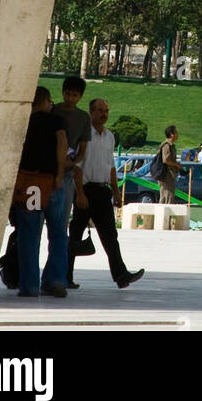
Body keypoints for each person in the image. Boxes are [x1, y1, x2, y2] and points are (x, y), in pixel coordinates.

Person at [67, 98, 144, 290]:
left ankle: (121, 275)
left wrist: (116, 193)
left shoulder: (109, 137)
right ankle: (64, 275)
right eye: (100, 110)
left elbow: (111, 167)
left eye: (106, 110)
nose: (104, 114)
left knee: (110, 235)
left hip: (103, 191)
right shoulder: (83, 136)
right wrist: (80, 194)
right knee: (74, 236)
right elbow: (76, 167)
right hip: (85, 190)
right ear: (91, 112)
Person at [11, 86, 68, 299]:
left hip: (30, 183)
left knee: (29, 233)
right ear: (45, 101)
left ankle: (29, 285)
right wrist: (60, 175)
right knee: (58, 233)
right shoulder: (57, 121)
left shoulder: (23, 121)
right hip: (52, 181)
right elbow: (62, 143)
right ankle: (56, 279)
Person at [54, 75, 91, 228]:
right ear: (63, 92)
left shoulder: (83, 118)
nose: (70, 98)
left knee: (62, 222)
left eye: (75, 95)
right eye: (68, 94)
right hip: (47, 170)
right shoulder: (53, 111)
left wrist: (72, 161)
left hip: (67, 173)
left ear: (80, 96)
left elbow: (82, 150)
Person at [158, 125, 182, 203]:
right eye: (176, 132)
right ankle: (166, 215)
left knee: (166, 196)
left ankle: (164, 214)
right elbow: (166, 160)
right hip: (166, 174)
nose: (177, 134)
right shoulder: (167, 145)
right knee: (168, 196)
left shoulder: (171, 145)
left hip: (168, 174)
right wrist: (176, 164)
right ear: (172, 134)